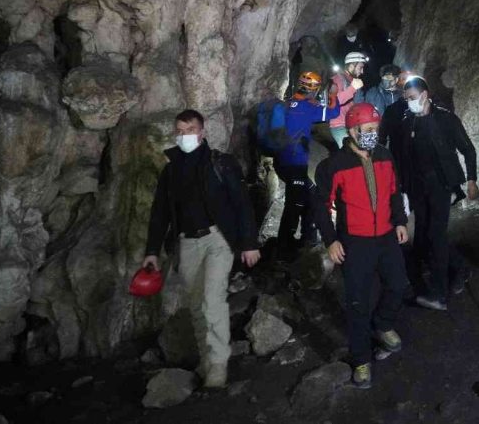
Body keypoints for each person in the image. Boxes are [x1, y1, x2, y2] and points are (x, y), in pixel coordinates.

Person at [143, 109, 261, 389]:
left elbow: (241, 203)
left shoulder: (220, 163)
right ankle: (207, 360)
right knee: (196, 307)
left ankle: (218, 364)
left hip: (217, 239)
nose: (185, 136)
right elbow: (159, 212)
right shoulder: (171, 171)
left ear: (202, 132)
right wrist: (152, 250)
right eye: (180, 131)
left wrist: (249, 243)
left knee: (211, 301)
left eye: (190, 130)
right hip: (187, 243)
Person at [313, 102, 409, 389]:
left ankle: (382, 323)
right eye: (367, 130)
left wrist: (401, 221)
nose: (372, 134)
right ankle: (361, 360)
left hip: (386, 236)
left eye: (374, 129)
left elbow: (394, 191)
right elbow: (320, 205)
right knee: (357, 302)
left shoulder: (384, 155)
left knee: (398, 284)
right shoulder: (334, 165)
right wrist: (331, 240)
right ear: (352, 130)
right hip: (355, 242)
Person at [396, 75, 479, 310]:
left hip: (442, 185)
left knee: (436, 234)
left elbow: (468, 150)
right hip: (418, 187)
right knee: (423, 234)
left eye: (412, 98)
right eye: (406, 99)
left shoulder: (446, 120)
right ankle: (458, 267)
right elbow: (404, 158)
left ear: (425, 95)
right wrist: (402, 189)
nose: (409, 102)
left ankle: (439, 294)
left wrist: (471, 179)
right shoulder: (408, 123)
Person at [274, 70, 339, 258]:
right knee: (294, 204)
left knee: (310, 196)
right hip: (294, 163)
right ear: (313, 89)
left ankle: (307, 237)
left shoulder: (287, 103)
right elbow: (333, 112)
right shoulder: (307, 107)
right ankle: (284, 249)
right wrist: (333, 93)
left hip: (283, 160)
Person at [329, 51, 367, 147]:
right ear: (351, 66)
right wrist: (353, 88)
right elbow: (335, 101)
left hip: (351, 124)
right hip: (339, 125)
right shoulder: (338, 79)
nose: (362, 72)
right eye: (360, 67)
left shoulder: (353, 81)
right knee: (349, 154)